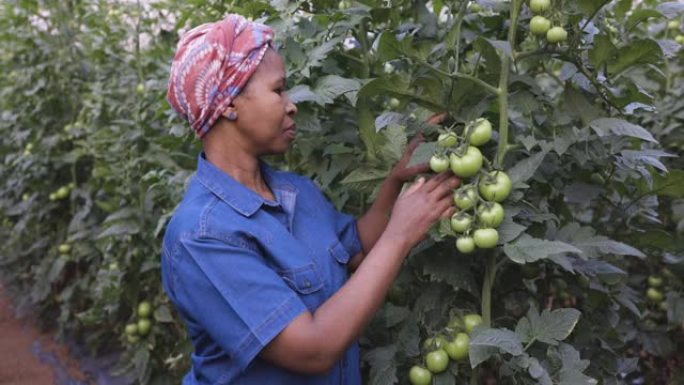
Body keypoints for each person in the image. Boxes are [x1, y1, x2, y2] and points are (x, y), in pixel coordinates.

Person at [162, 14, 460, 385]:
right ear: (228, 103)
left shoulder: (295, 191)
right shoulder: (201, 237)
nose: (292, 105)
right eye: (278, 90)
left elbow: (356, 247)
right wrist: (400, 234)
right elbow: (312, 349)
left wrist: (397, 178)